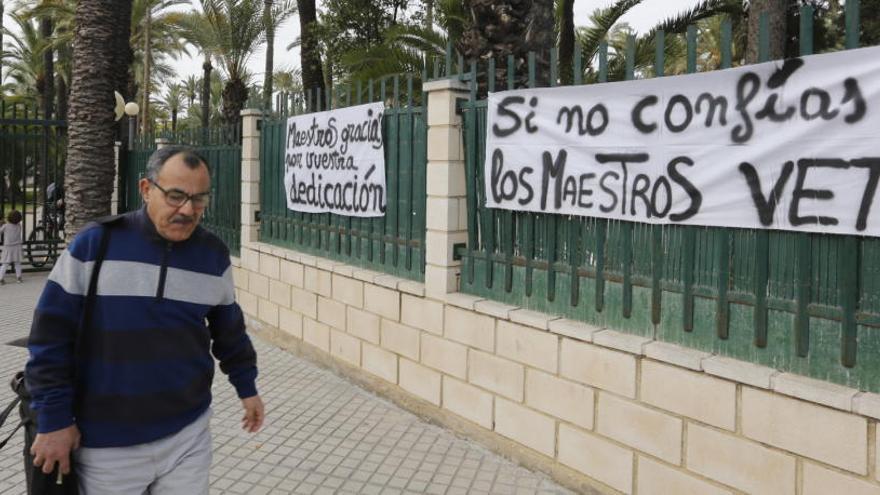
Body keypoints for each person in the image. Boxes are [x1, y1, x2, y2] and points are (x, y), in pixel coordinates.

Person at [25, 145, 264, 494]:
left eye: (199, 199)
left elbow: (230, 332)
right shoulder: (95, 245)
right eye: (176, 196)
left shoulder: (213, 254)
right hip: (105, 446)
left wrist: (248, 388)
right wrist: (54, 420)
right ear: (146, 189)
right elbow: (49, 339)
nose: (187, 210)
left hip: (188, 436)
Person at [0, 210, 24, 284]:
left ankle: (1, 278)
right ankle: (19, 278)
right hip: (17, 247)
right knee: (17, 263)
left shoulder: (5, 226)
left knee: (5, 264)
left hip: (8, 247)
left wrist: (2, 223)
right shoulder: (19, 225)